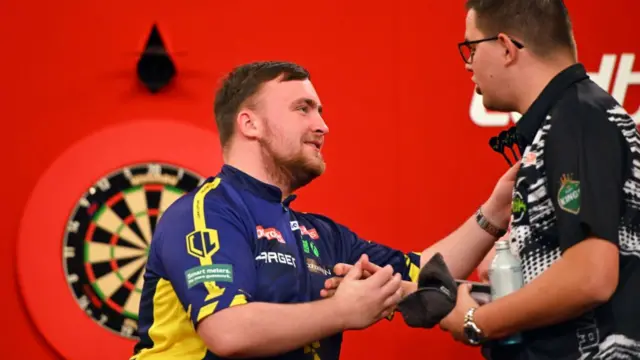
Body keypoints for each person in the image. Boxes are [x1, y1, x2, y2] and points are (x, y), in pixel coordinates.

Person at [130, 61, 516, 360]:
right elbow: (227, 331)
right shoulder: (206, 212)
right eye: (303, 108)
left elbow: (429, 273)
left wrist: (496, 210)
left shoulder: (321, 235)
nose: (323, 125)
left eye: (320, 111)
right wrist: (342, 312)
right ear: (249, 124)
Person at [438, 0, 640, 359]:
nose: (468, 63)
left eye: (471, 47)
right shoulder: (573, 117)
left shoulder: (575, 120)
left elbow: (591, 275)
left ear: (505, 47)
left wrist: (476, 320)